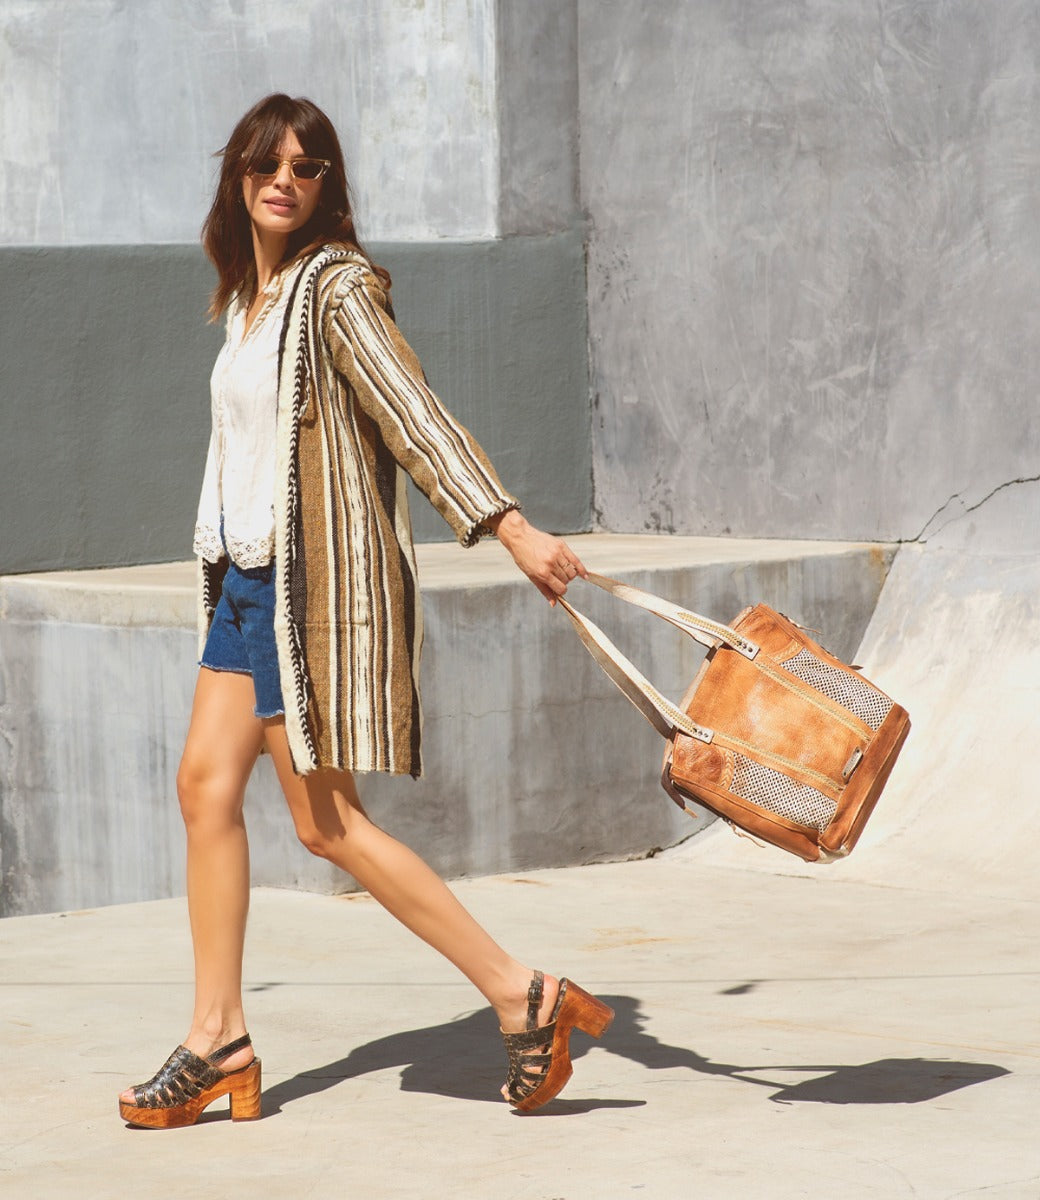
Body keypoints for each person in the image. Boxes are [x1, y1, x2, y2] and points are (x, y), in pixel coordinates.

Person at [117, 93, 613, 1129]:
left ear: (326, 188)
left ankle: (521, 993)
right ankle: (220, 1037)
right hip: (243, 582)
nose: (284, 180)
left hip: (302, 596)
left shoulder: (334, 292)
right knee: (205, 789)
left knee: (327, 824)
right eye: (266, 163)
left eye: (307, 167)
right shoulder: (249, 302)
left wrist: (508, 527)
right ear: (239, 177)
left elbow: (415, 416)